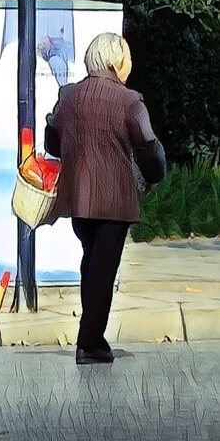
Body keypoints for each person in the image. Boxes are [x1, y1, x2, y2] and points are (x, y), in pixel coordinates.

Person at [45, 32, 166, 366]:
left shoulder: (68, 96)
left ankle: (91, 335)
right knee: (102, 268)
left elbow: (53, 142)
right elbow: (148, 146)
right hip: (115, 199)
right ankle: (91, 341)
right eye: (127, 58)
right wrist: (156, 173)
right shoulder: (130, 101)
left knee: (91, 263)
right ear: (116, 62)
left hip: (79, 197)